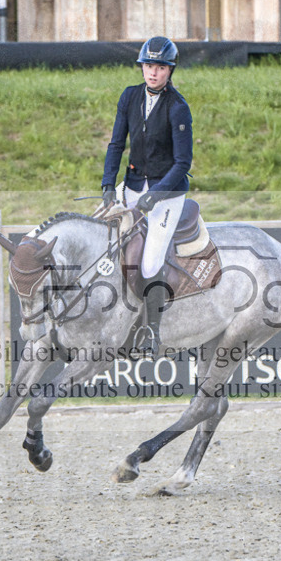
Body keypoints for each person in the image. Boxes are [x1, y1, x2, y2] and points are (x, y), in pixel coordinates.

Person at [101, 36, 194, 355]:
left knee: (150, 261)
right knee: (112, 255)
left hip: (166, 196)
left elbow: (183, 163)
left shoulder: (178, 107)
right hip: (131, 187)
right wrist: (107, 185)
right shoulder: (129, 97)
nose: (153, 73)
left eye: (160, 68)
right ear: (142, 67)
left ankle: (152, 331)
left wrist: (155, 194)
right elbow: (116, 144)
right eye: (149, 66)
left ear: (170, 71)